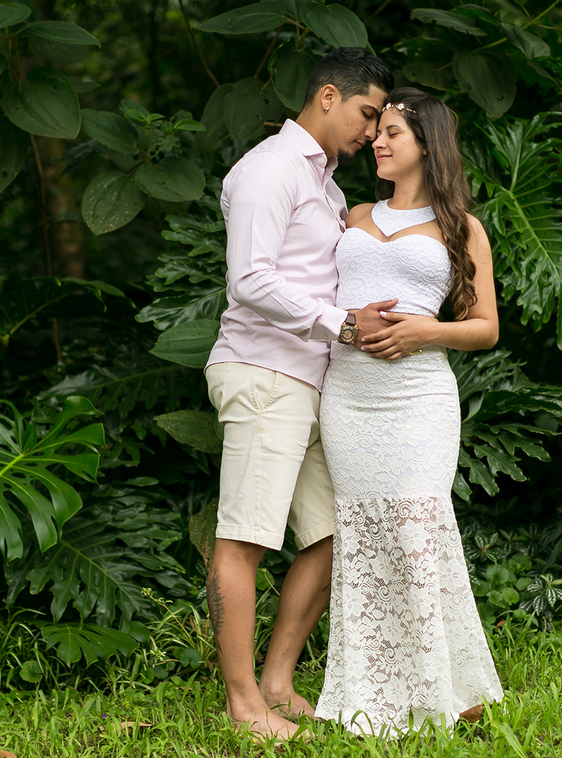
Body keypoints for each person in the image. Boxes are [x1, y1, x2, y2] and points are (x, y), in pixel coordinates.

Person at [203, 47, 397, 742]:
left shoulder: (328, 187)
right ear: (325, 95)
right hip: (264, 374)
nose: (372, 132)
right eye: (366, 114)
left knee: (331, 534)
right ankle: (243, 705)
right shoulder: (269, 170)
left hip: (315, 382)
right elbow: (248, 281)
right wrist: (339, 323)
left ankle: (279, 683)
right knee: (244, 539)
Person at [314, 87, 504, 736]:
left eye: (393, 131)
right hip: (349, 398)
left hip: (419, 398)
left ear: (428, 143)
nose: (379, 141)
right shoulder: (353, 214)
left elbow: (485, 328)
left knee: (418, 534)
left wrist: (425, 331)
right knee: (366, 538)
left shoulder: (461, 227)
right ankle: (375, 700)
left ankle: (451, 694)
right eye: (379, 132)